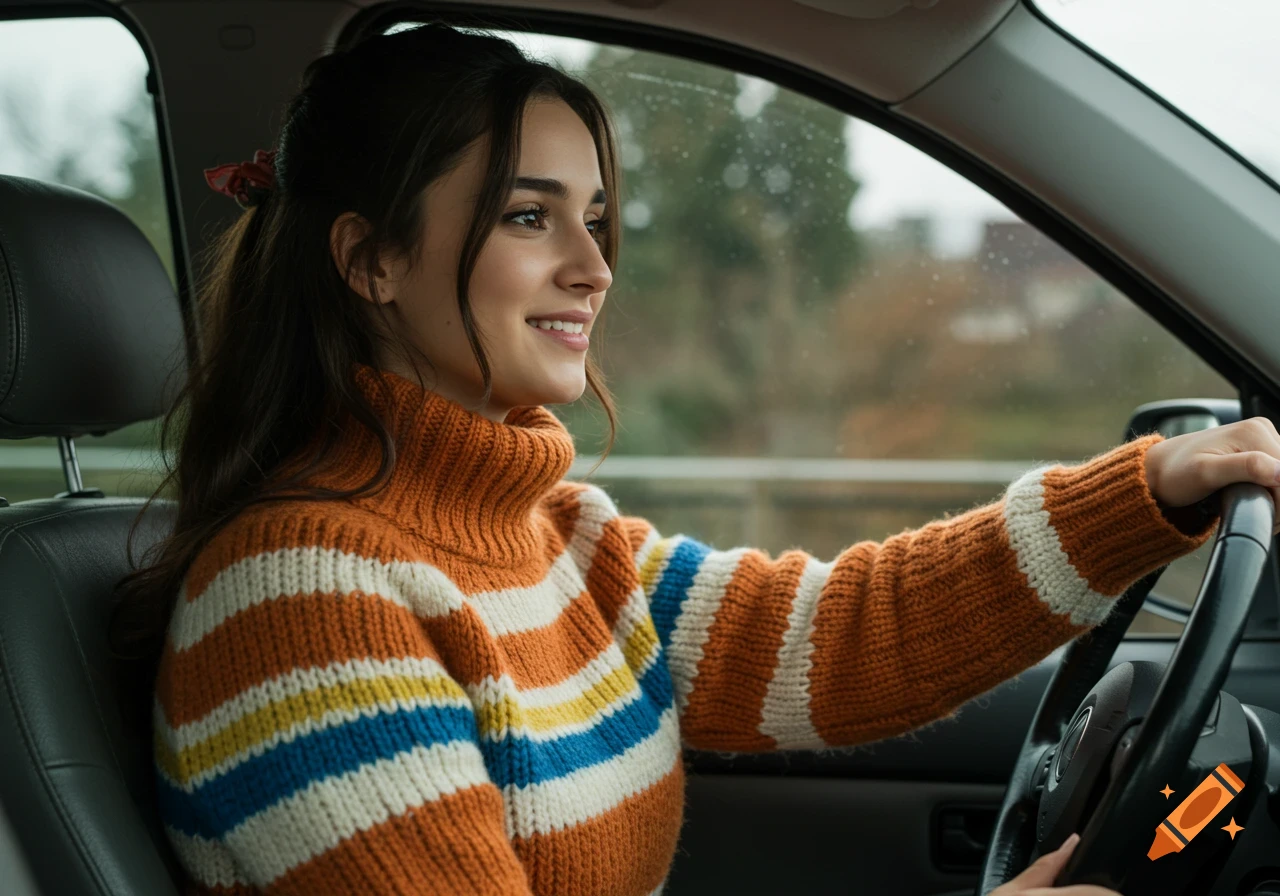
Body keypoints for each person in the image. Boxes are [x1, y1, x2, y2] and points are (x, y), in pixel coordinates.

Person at [105, 22, 1280, 896]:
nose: (593, 265)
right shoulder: (300, 599)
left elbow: (838, 637)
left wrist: (1142, 494)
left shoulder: (556, 535)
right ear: (369, 259)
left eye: (595, 216)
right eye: (529, 216)